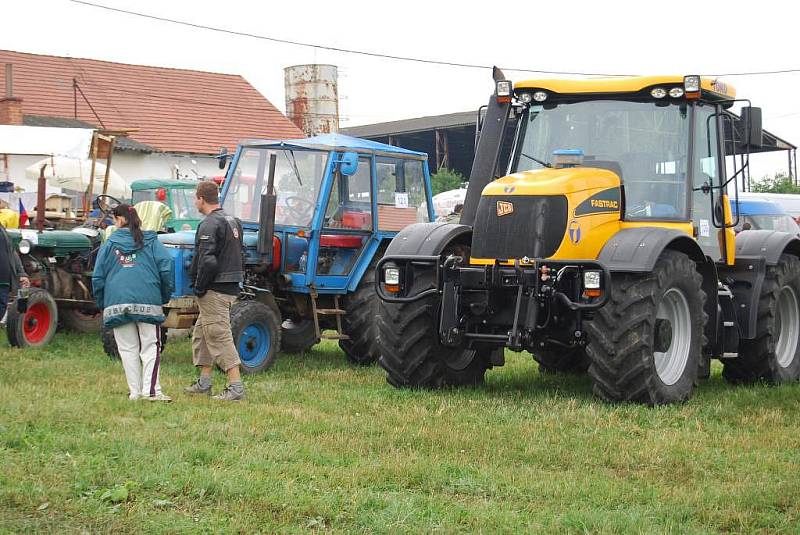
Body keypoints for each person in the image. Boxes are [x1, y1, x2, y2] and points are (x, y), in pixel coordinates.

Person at [92, 204, 174, 401]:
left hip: (116, 302)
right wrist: (163, 296)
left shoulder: (109, 243)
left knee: (127, 349)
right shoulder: (152, 241)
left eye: (113, 219)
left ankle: (135, 393)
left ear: (120, 220)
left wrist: (104, 303)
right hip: (148, 299)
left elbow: (98, 277)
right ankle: (152, 391)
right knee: (150, 346)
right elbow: (166, 268)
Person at [184, 181, 246, 401]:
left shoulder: (210, 223)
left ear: (201, 198)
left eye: (195, 198)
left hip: (214, 289)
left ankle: (236, 387)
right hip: (230, 285)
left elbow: (208, 261)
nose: (194, 202)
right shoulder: (233, 220)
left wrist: (199, 287)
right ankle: (204, 381)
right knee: (203, 333)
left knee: (218, 335)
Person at [0, 221, 30, 326]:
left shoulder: (2, 229)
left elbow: (11, 252)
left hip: (4, 282)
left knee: (2, 308)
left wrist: (22, 273)